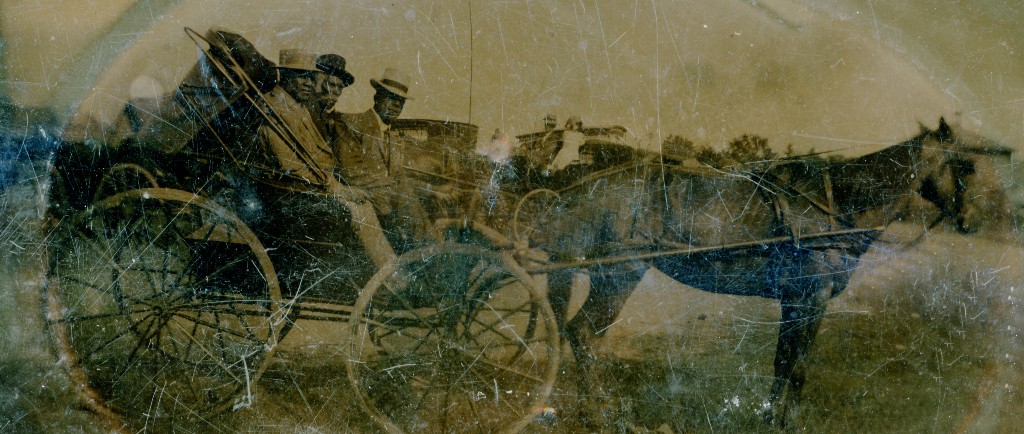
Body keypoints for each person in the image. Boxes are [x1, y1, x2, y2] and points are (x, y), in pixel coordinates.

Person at [331, 67, 441, 254]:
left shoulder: (393, 138)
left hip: (387, 202)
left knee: (426, 202)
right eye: (391, 98)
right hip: (366, 198)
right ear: (377, 97)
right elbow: (351, 171)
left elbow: (400, 178)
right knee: (408, 200)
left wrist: (433, 191)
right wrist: (393, 192)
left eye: (400, 103)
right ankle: (430, 255)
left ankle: (430, 251)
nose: (395, 106)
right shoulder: (351, 123)